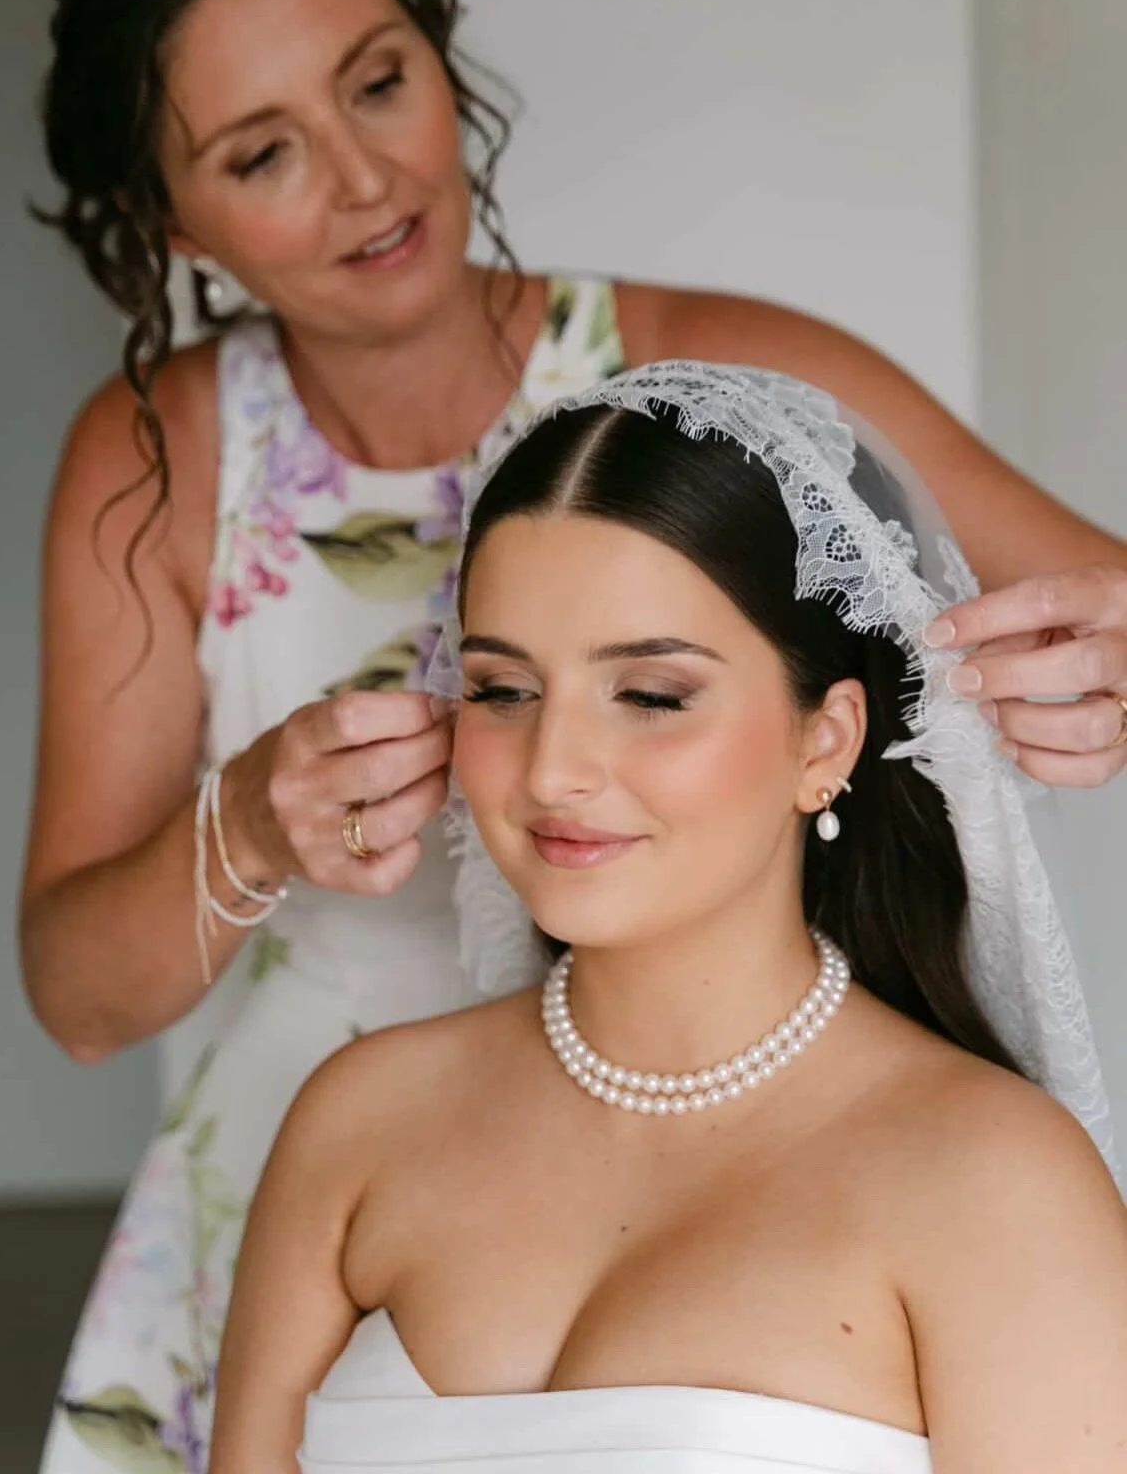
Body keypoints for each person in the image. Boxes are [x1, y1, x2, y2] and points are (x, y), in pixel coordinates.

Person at [27, 0, 1127, 1469]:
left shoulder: (730, 383)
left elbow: (1083, 614)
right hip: (348, 1179)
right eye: (262, 153)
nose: (364, 178)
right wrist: (249, 834)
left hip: (764, 1159)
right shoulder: (158, 466)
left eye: (379, 82)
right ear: (177, 229)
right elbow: (77, 995)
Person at [210, 364, 1127, 1474]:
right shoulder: (358, 1118)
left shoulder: (996, 1178)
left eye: (649, 695)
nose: (552, 770)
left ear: (825, 741)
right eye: (504, 689)